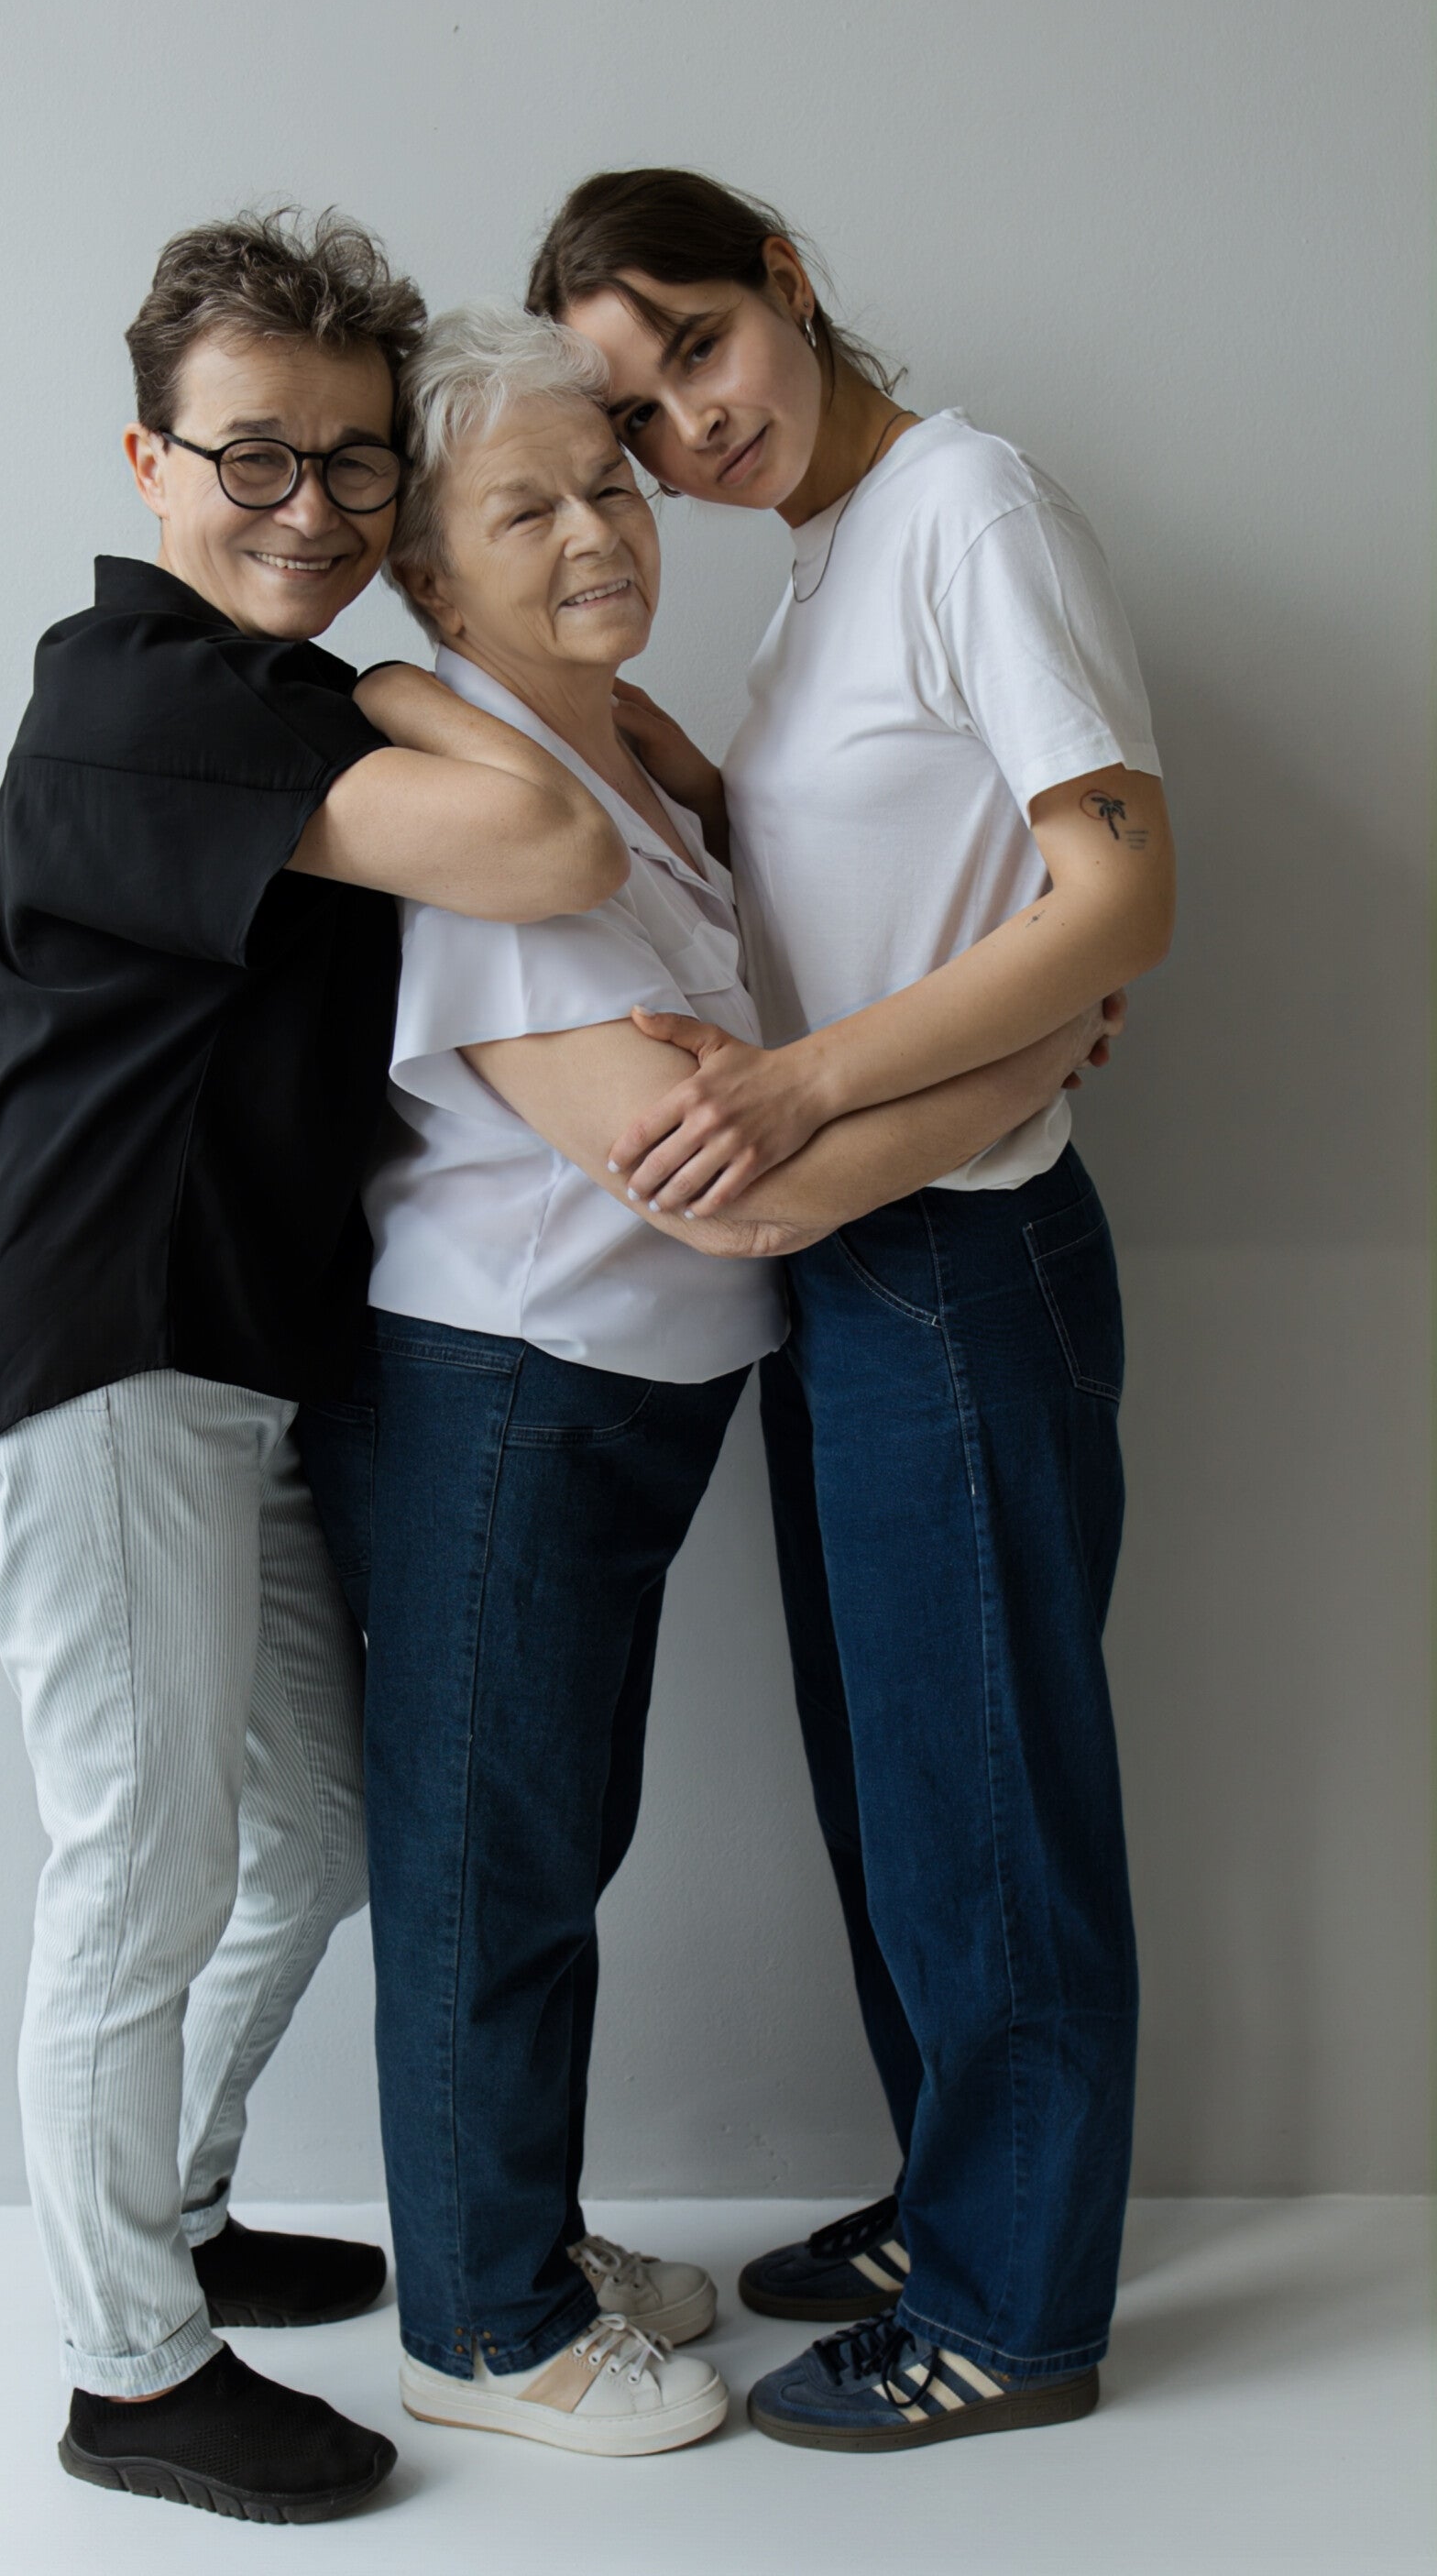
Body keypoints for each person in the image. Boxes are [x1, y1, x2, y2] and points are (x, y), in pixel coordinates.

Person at [296, 301, 1117, 2461]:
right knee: (493, 1859)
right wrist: (1041, 1044)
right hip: (513, 1391)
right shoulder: (480, 810)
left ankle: (525, 2250)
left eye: (613, 483)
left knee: (558, 1838)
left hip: (621, 1405)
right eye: (527, 510)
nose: (599, 529)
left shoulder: (618, 766)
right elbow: (733, 1195)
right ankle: (482, 2326)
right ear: (430, 569)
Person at [0, 210, 628, 2527]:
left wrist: (382, 672)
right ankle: (129, 2369)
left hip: (231, 1364)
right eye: (254, 458)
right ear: (149, 460)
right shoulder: (143, 696)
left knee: (308, 1835)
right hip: (102, 1352)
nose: (306, 510)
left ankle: (179, 2211)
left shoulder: (269, 701)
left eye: (353, 466)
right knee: (139, 1866)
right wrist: (422, 656)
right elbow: (547, 843)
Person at [530, 167, 1174, 2452]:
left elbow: (1118, 891)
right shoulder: (830, 564)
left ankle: (1013, 2312)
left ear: (788, 282)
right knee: (906, 1792)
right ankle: (958, 2197)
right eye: (636, 414)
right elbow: (896, 869)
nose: (689, 429)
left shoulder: (966, 506)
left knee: (985, 1802)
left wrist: (805, 1082)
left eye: (699, 348)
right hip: (866, 1251)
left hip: (962, 1247)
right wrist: (683, 781)